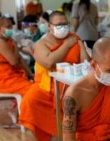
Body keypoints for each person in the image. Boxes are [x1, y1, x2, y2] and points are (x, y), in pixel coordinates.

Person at [19, 11, 89, 141]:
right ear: (50, 26)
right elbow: (48, 62)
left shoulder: (75, 38)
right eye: (58, 25)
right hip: (47, 86)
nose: (63, 27)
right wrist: (67, 45)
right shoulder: (42, 43)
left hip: (72, 83)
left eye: (65, 24)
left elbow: (86, 63)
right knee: (29, 101)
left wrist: (81, 47)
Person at [0, 16, 33, 96]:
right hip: (3, 81)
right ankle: (26, 107)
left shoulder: (7, 39)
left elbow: (20, 58)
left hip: (11, 76)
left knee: (35, 87)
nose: (11, 29)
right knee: (33, 91)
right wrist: (16, 46)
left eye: (11, 27)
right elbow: (14, 61)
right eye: (8, 27)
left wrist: (31, 74)